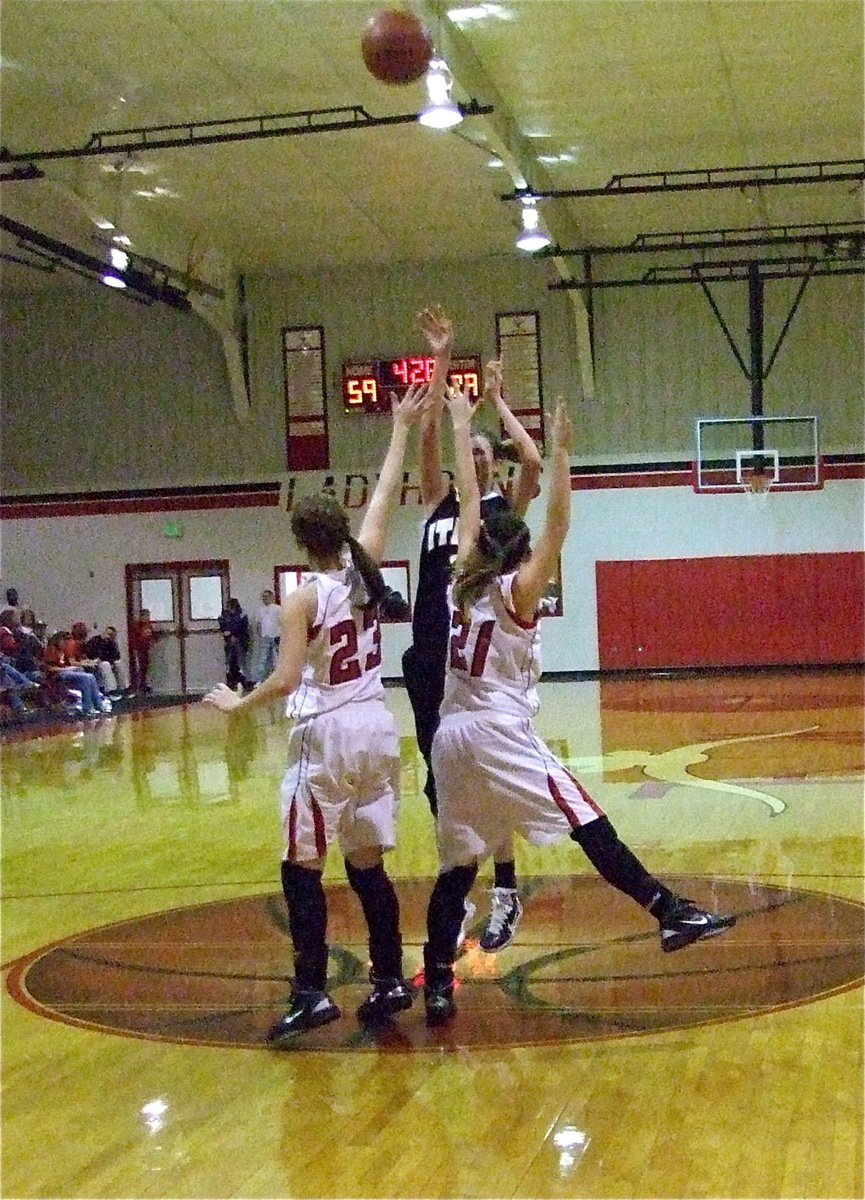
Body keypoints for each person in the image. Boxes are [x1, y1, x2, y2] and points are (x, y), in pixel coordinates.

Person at [421, 388, 736, 1026]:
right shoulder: (513, 590)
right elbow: (558, 525)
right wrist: (561, 456)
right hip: (495, 730)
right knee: (586, 817)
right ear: (518, 554)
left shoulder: (460, 580)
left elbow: (467, 507)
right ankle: (669, 912)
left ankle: (436, 981)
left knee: (458, 865)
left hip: (448, 737)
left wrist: (459, 423)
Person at [204, 382, 430, 1045]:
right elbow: (386, 494)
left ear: (299, 539)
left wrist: (237, 701)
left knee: (299, 867)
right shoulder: (363, 574)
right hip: (376, 730)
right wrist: (399, 429)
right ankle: (388, 977)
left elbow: (286, 676)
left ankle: (309, 993)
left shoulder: (301, 595)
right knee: (365, 865)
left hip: (326, 732)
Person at [402, 306, 542, 953]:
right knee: (441, 780)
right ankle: (456, 895)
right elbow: (429, 436)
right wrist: (439, 358)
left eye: (484, 451)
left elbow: (533, 470)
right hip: (429, 654)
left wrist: (497, 406)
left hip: (483, 666)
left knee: (493, 774)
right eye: (474, 450)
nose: (476, 458)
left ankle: (507, 888)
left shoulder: (497, 513)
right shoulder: (439, 500)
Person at [85, 625, 130, 696]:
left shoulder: (111, 643)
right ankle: (112, 690)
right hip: (96, 661)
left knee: (119, 663)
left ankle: (125, 687)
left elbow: (117, 656)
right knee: (106, 665)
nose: (108, 636)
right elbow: (92, 653)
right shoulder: (95, 640)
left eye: (111, 635)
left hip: (108, 660)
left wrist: (113, 644)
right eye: (108, 633)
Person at [218, 598, 252, 692]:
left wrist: (232, 632)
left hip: (240, 640)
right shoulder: (224, 615)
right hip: (230, 642)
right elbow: (222, 623)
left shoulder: (241, 614)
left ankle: (243, 681)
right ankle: (235, 681)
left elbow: (242, 626)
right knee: (231, 662)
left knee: (240, 662)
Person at [253, 589, 282, 682]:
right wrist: (259, 635)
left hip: (276, 637)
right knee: (263, 660)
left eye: (266, 597)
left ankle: (277, 680)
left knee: (276, 659)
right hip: (265, 637)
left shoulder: (278, 609)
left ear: (271, 597)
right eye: (263, 597)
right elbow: (258, 624)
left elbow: (282, 622)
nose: (264, 599)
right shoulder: (260, 610)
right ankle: (261, 681)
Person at [130, 609, 156, 693]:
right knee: (140, 668)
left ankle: (146, 685)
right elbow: (134, 639)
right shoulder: (137, 626)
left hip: (147, 649)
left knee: (147, 667)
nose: (148, 618)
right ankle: (138, 686)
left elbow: (152, 636)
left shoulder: (149, 626)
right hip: (139, 649)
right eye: (146, 616)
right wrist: (135, 650)